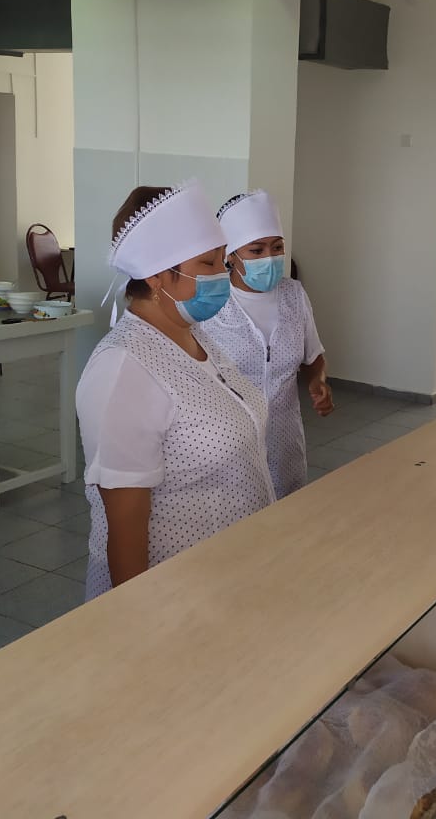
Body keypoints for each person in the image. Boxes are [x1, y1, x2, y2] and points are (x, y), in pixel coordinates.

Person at [77, 184, 275, 600]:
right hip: (174, 593)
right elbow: (125, 529)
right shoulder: (123, 368)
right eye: (208, 263)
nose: (222, 274)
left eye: (222, 260)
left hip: (232, 573)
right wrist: (141, 622)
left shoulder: (194, 335)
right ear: (156, 275)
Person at [198, 190, 333, 499]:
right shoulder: (210, 305)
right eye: (257, 250)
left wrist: (318, 382)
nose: (270, 258)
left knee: (285, 516)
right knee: (237, 519)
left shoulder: (294, 295)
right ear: (231, 255)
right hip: (228, 444)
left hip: (285, 441)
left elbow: (313, 356)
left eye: (277, 247)